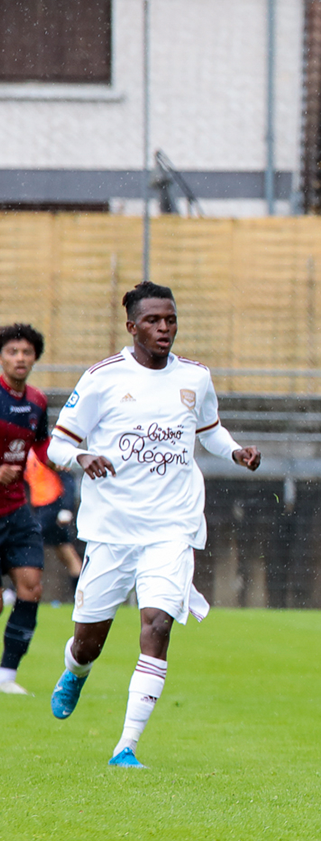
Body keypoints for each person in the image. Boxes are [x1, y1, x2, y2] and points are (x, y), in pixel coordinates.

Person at [46, 281, 262, 767]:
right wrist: (83, 456)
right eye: (153, 321)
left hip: (172, 527)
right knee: (88, 641)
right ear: (131, 327)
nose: (164, 329)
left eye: (170, 320)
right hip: (112, 531)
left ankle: (127, 746)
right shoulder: (102, 378)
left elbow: (209, 430)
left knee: (158, 623)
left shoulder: (196, 377)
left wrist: (235, 451)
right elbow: (57, 444)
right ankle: (75, 672)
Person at [0, 324, 52, 694]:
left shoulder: (37, 401)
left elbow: (44, 447)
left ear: (35, 357)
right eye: (12, 351)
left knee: (31, 588)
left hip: (17, 510)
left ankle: (7, 676)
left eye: (26, 352)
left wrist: (69, 457)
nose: (20, 358)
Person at [28, 455, 83, 588]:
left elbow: (67, 478)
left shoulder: (47, 452)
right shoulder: (28, 455)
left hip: (52, 508)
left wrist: (66, 508)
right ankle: (82, 591)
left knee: (29, 547)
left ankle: (17, 589)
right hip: (40, 509)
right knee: (65, 552)